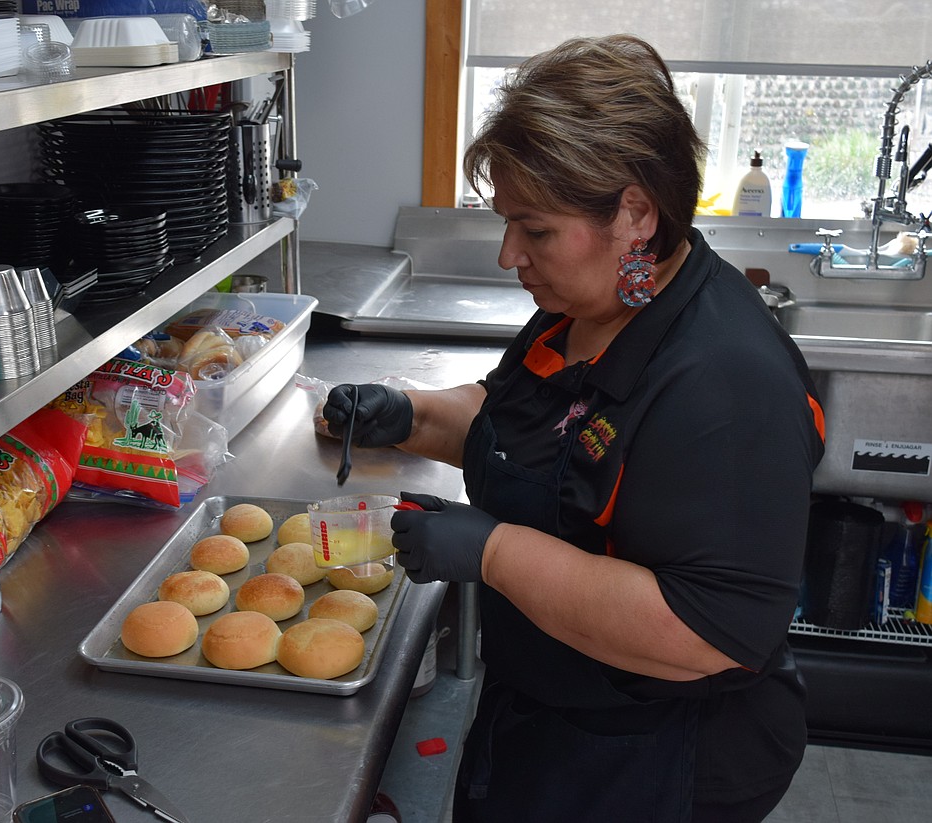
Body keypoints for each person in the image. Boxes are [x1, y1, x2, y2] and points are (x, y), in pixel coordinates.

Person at [322, 35, 826, 823]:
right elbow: (530, 433)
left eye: (536, 229)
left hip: (654, 759)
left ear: (634, 212)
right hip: (550, 719)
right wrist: (409, 415)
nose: (507, 255)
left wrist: (491, 552)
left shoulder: (726, 382)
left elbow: (704, 630)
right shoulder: (585, 311)